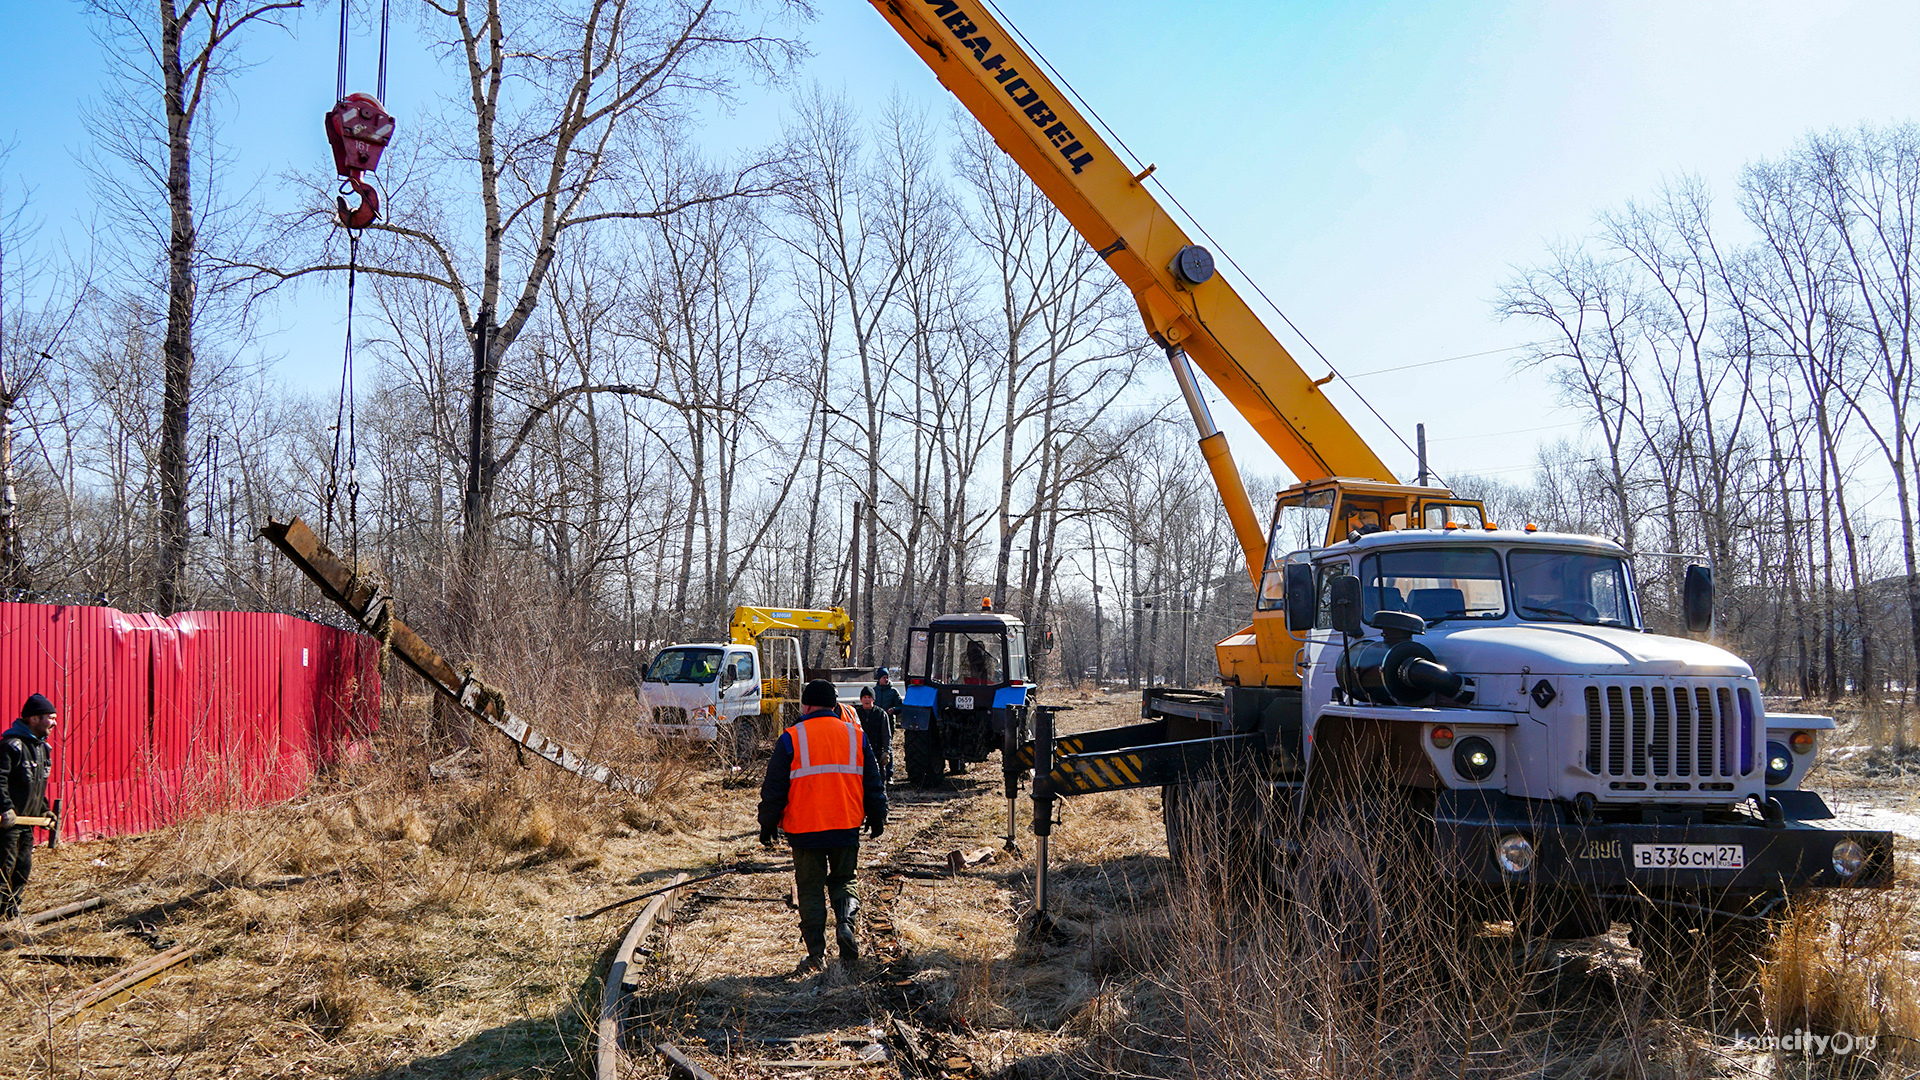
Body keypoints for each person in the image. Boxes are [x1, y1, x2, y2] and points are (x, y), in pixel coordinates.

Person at [758, 679, 886, 974]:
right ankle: (846, 925)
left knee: (811, 889)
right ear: (834, 705)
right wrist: (878, 815)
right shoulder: (856, 735)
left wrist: (768, 825)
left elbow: (774, 789)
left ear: (806, 705)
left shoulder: (791, 738)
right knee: (844, 880)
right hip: (845, 825)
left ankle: (816, 955)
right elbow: (873, 782)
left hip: (804, 830)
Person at [1, 694, 56, 920]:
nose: (54, 723)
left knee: (23, 869)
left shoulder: (43, 749)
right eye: (50, 718)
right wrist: (5, 807)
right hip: (8, 823)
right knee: (4, 868)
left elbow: (37, 786)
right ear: (34, 718)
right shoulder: (11, 746)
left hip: (27, 822)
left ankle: (11, 913)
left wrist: (43, 810)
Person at [853, 687, 892, 785]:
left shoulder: (881, 714)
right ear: (861, 699)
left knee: (879, 781)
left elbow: (886, 734)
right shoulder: (856, 714)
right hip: (859, 753)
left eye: (869, 697)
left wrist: (886, 752)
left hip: (877, 753)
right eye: (864, 697)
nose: (867, 700)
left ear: (873, 699)